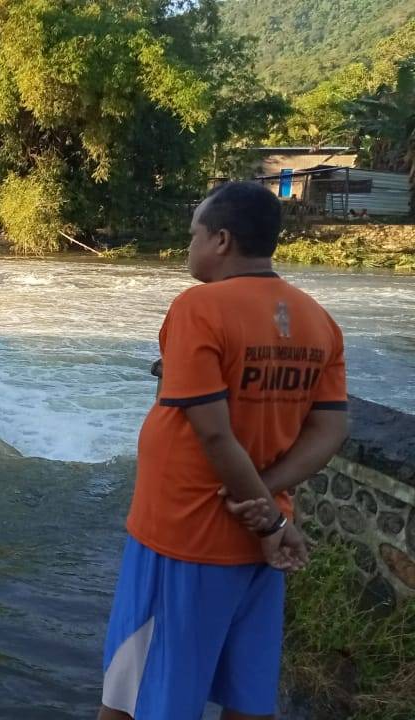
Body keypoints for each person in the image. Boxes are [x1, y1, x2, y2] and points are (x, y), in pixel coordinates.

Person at [99, 182, 350, 720]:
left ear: (222, 240)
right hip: (261, 543)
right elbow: (330, 429)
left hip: (184, 534)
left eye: (194, 234)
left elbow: (212, 433)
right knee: (246, 697)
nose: (189, 245)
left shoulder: (199, 307)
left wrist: (263, 515)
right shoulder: (317, 319)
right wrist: (269, 507)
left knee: (137, 695)